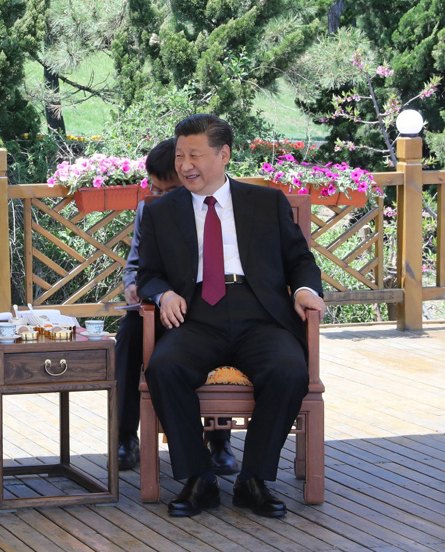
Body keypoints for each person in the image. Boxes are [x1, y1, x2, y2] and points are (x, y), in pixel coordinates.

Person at [137, 114, 325, 518]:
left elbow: (300, 261)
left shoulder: (266, 202)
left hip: (260, 312)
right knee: (164, 368)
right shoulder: (160, 211)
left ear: (223, 155)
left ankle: (253, 479)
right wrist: (163, 293)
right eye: (180, 155)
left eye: (195, 155)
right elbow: (146, 273)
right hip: (195, 314)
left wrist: (306, 291)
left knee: (289, 371)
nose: (185, 165)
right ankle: (199, 478)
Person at [115, 138, 239, 476]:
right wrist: (132, 286)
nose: (159, 197)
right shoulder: (150, 210)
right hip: (159, 307)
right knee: (128, 334)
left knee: (224, 326)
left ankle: (219, 439)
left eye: (168, 190)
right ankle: (125, 435)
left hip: (205, 307)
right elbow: (135, 264)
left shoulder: (217, 207)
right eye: (153, 189)